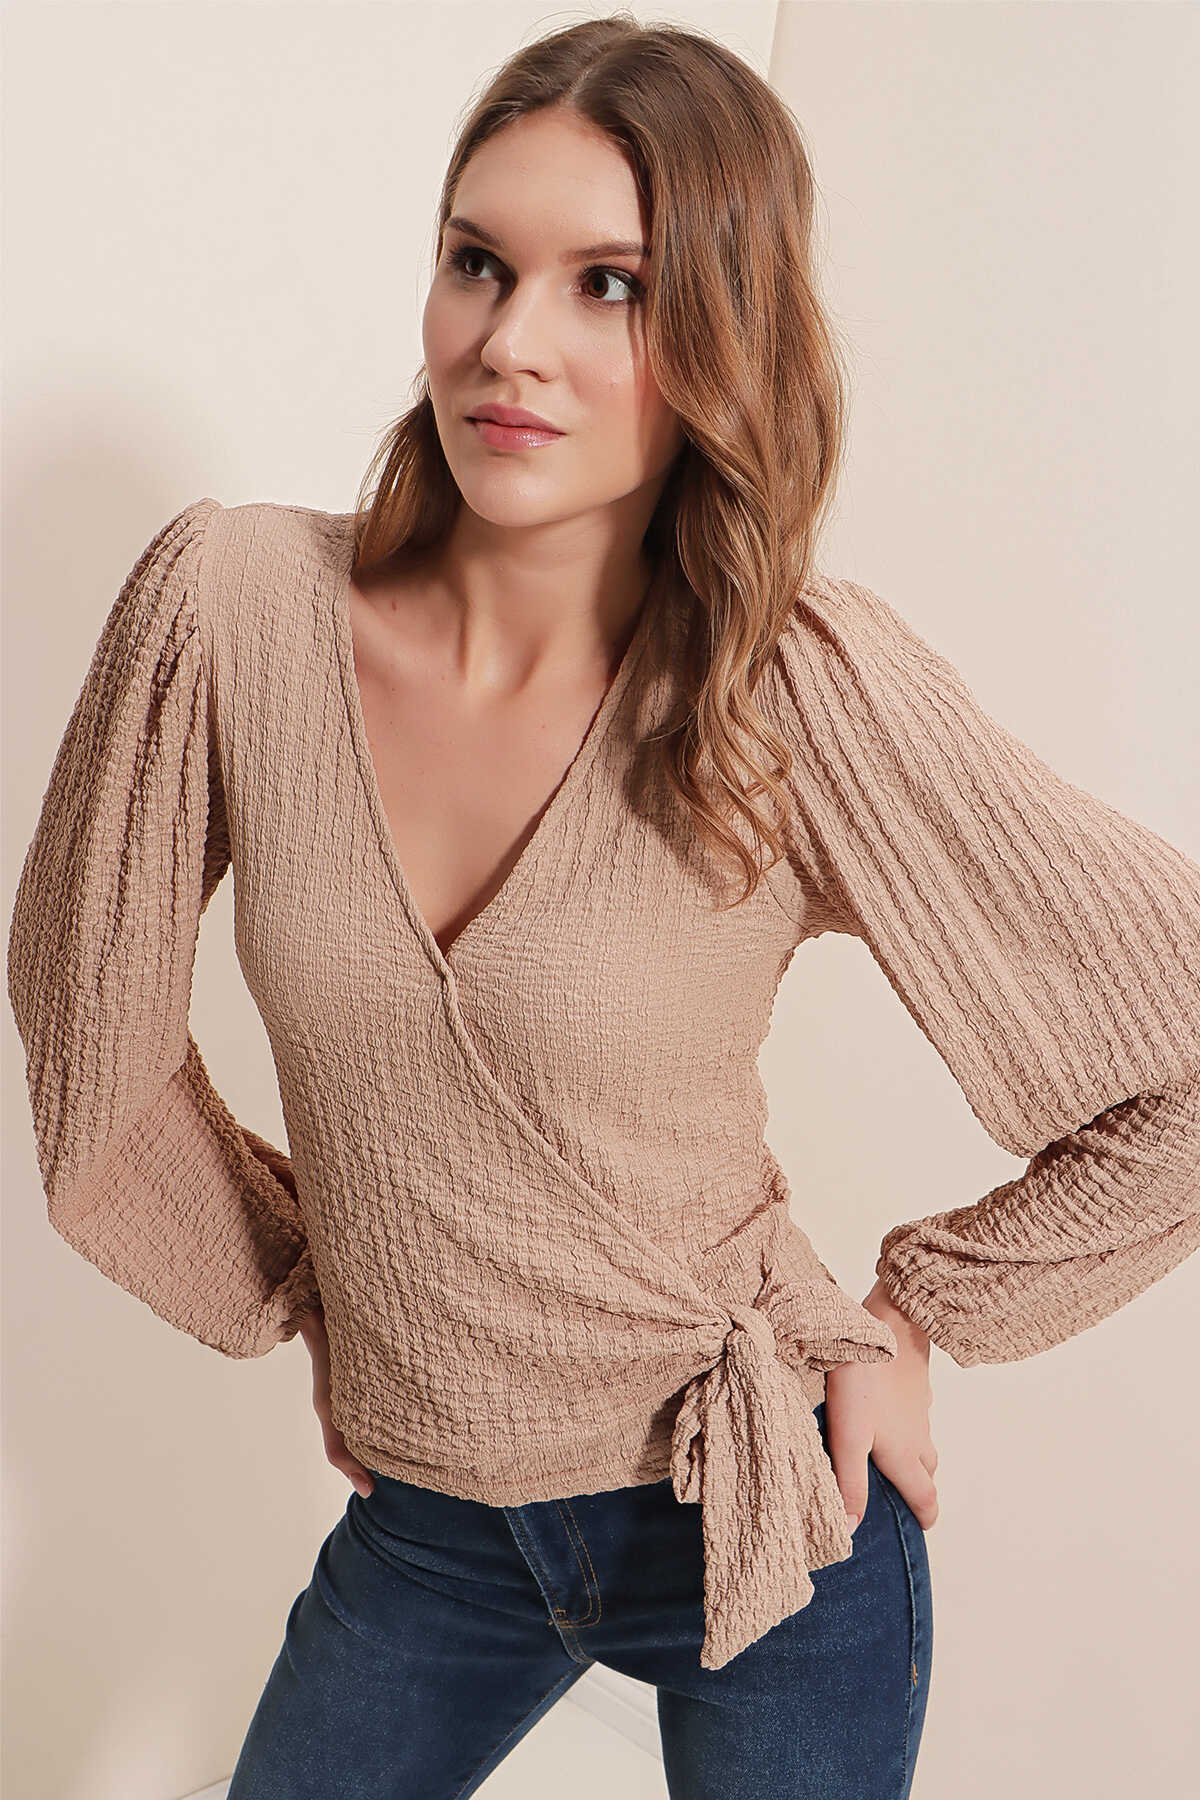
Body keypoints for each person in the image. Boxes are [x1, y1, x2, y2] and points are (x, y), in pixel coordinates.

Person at [8, 15, 1199, 1800]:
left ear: (721, 333)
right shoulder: (232, 609)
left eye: (611, 287)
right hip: (427, 1533)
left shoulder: (787, 690)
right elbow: (83, 1018)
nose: (512, 342)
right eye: (478, 262)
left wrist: (919, 1312)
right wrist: (319, 1289)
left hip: (761, 1507)